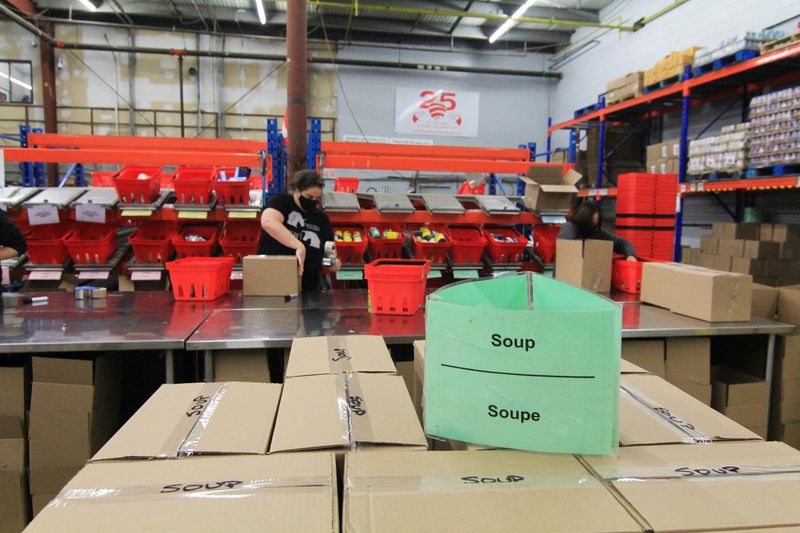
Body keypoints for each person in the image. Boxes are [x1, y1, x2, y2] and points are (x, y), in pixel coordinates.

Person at [258, 169, 341, 292]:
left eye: (317, 198)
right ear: (297, 190)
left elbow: (329, 250)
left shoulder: (321, 218)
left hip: (308, 286)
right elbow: (268, 222)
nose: (313, 201)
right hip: (273, 279)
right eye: (309, 197)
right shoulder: (282, 202)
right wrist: (299, 246)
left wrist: (334, 261)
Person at [558, 200, 637, 261]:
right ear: (583, 219)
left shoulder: (595, 230)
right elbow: (566, 250)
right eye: (591, 222)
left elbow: (621, 243)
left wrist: (630, 255)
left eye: (595, 223)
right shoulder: (570, 228)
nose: (593, 226)